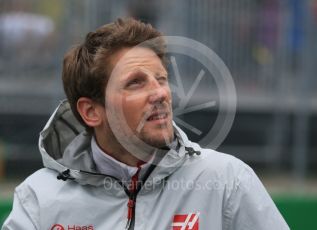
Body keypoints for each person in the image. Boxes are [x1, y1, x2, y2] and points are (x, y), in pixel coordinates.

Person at [1, 18, 289, 230]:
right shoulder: (38, 199)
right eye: (136, 83)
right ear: (91, 112)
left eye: (161, 79)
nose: (160, 94)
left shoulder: (227, 180)